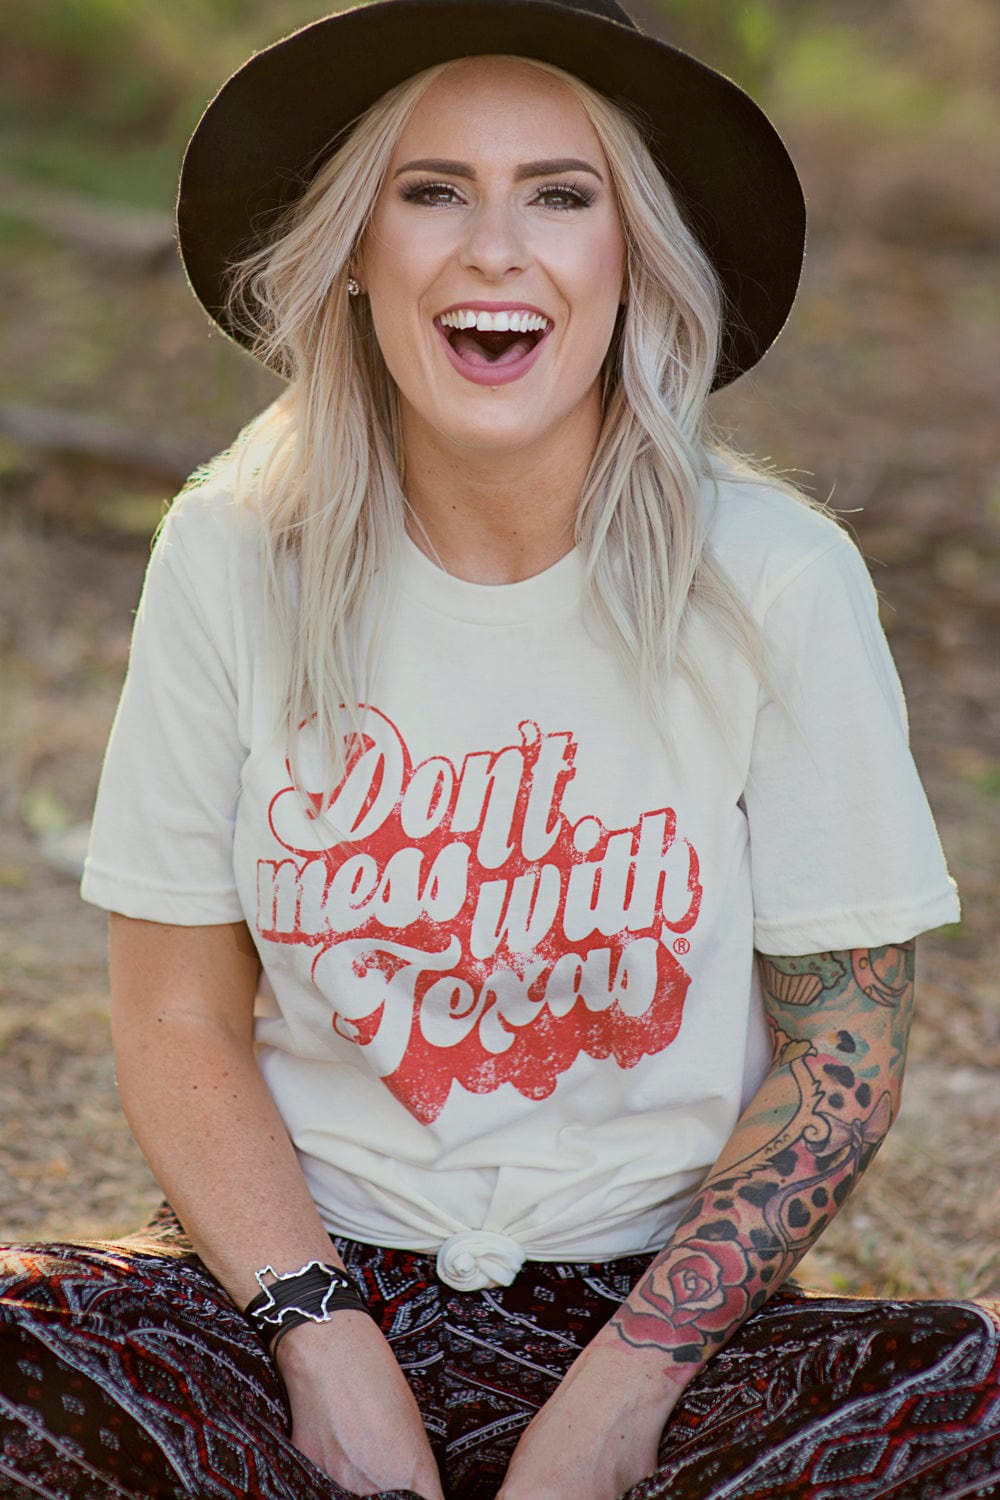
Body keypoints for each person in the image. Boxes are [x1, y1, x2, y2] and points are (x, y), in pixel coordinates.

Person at [1, 1, 997, 1496]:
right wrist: (322, 1345)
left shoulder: (775, 579)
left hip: (655, 1326)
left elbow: (843, 1053)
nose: (494, 250)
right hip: (299, 1289)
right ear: (356, 248)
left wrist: (613, 1413)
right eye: (432, 191)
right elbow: (178, 1016)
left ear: (632, 255)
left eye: (560, 194)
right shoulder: (231, 553)